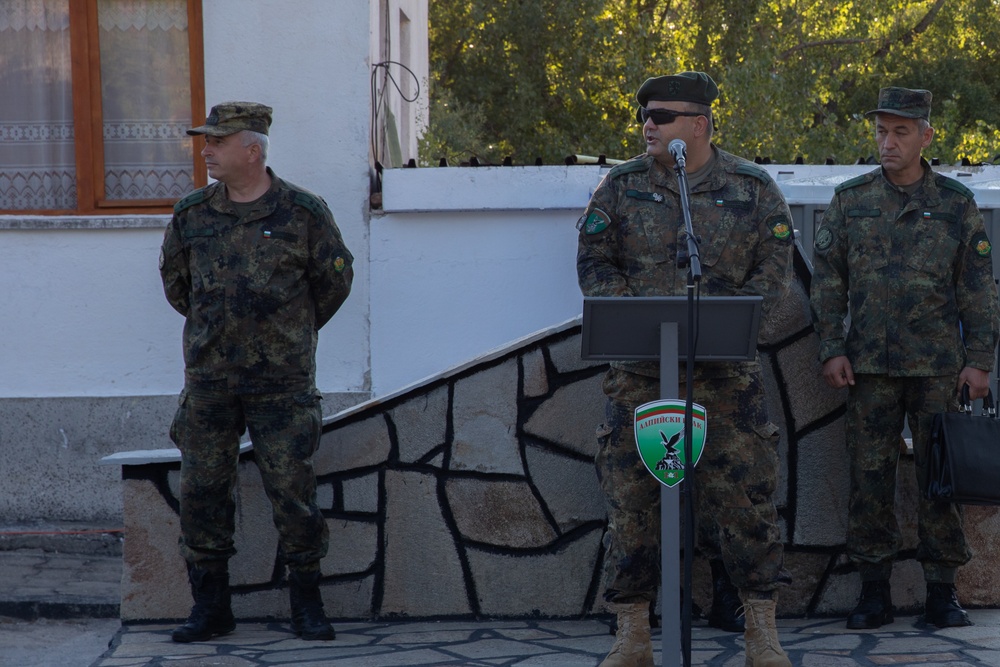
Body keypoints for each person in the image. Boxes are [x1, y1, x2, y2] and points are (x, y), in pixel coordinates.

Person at [577, 71, 794, 667]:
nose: (648, 125)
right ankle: (633, 636)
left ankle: (762, 634)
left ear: (698, 125)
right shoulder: (619, 188)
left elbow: (773, 272)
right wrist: (633, 318)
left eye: (663, 116)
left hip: (726, 381)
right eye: (644, 115)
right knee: (632, 508)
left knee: (747, 504)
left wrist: (736, 322)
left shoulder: (751, 190)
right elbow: (595, 262)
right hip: (642, 380)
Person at [159, 101, 354, 643]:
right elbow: (179, 288)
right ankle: (211, 607)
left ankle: (307, 605)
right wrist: (218, 332)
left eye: (216, 142)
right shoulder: (192, 214)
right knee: (202, 494)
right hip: (210, 383)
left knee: (293, 495)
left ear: (253, 150)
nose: (206, 150)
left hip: (282, 384)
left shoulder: (303, 213)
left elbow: (334, 283)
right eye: (206, 141)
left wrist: (287, 334)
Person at [810, 87, 1000, 630]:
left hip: (939, 367)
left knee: (941, 480)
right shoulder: (850, 201)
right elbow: (828, 283)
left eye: (899, 132)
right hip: (868, 369)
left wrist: (980, 361)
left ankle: (943, 590)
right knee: (869, 481)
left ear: (925, 136)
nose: (886, 142)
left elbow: (978, 289)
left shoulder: (955, 204)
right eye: (880, 131)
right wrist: (832, 347)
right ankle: (874, 591)